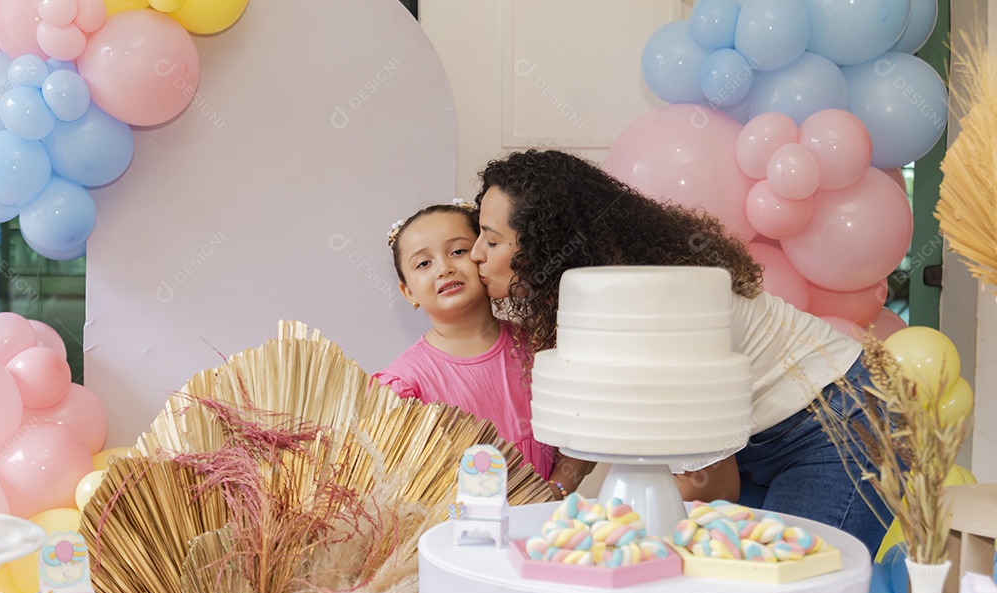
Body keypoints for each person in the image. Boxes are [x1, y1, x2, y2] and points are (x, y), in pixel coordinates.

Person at [469, 148, 892, 558]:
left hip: (839, 422)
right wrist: (554, 492)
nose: (476, 254)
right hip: (758, 441)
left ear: (545, 246)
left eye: (491, 240)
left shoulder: (650, 311)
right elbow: (595, 421)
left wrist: (597, 534)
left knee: (795, 584)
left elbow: (711, 485)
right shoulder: (599, 298)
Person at [373, 199, 588, 499]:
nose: (445, 268)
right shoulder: (404, 386)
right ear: (409, 292)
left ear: (483, 257)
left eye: (458, 251)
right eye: (424, 263)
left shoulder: (540, 348)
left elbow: (583, 434)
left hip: (544, 521)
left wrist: (553, 492)